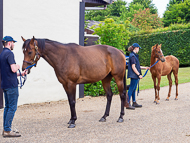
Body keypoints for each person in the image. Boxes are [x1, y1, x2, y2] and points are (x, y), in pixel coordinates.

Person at [0, 36, 27, 137]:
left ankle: (6, 129)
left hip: (5, 84)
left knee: (7, 107)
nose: (14, 45)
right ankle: (7, 130)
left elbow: (9, 72)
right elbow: (13, 69)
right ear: (9, 43)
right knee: (12, 107)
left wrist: (21, 74)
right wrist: (18, 67)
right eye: (13, 43)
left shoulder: (2, 54)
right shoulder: (10, 54)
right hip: (11, 85)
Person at [126, 43, 149, 110]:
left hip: (134, 75)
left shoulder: (134, 55)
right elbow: (133, 67)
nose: (139, 49)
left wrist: (145, 68)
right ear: (136, 48)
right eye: (138, 48)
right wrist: (139, 74)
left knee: (133, 89)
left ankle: (134, 102)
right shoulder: (132, 56)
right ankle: (127, 103)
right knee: (131, 89)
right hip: (134, 75)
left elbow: (137, 66)